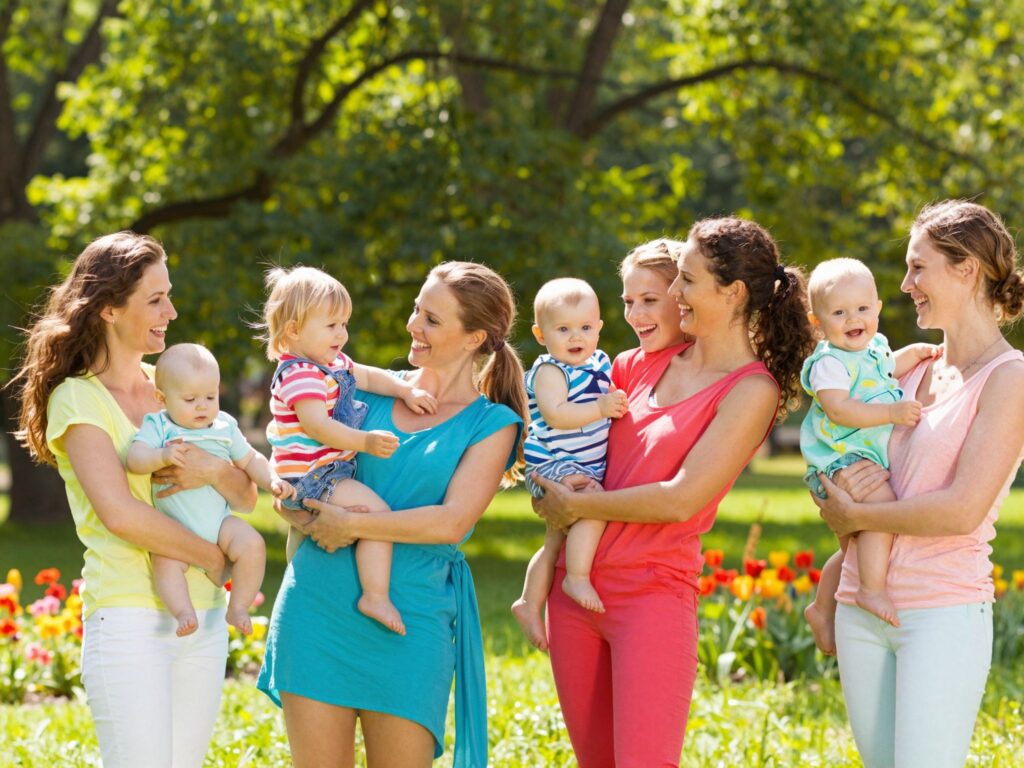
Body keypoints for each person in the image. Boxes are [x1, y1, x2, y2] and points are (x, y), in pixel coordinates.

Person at [532, 224, 817, 768]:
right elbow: (576, 452)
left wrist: (578, 506)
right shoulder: (637, 364)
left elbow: (682, 499)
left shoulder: (751, 390)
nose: (674, 293)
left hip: (652, 599)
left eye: (686, 279)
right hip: (576, 595)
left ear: (732, 293)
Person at [257, 261, 526, 768]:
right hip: (317, 610)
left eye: (431, 318)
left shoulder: (492, 424)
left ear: (474, 339)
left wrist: (352, 524)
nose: (412, 325)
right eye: (416, 310)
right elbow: (297, 466)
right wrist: (296, 509)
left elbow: (451, 522)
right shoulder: (363, 390)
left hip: (412, 621)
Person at [10, 232, 257, 767]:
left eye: (168, 295)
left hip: (205, 617)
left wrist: (213, 469)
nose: (171, 310)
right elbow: (120, 514)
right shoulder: (78, 399)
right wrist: (215, 558)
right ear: (107, 308)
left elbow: (245, 495)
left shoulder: (174, 386)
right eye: (155, 299)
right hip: (127, 621)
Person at [813, 200, 1024, 768]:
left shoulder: (1010, 379)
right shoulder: (903, 369)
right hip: (862, 604)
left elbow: (959, 510)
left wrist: (857, 518)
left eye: (918, 268)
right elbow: (835, 451)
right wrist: (836, 501)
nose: (905, 285)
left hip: (941, 612)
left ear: (967, 269)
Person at [260, 265, 438, 635]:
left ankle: (303, 589)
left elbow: (369, 375)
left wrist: (405, 390)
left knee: (307, 539)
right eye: (331, 326)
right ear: (294, 330)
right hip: (313, 475)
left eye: (344, 323)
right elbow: (317, 426)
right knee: (378, 516)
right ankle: (374, 595)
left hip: (321, 472)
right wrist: (365, 442)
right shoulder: (299, 374)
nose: (342, 334)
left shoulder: (332, 363)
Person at [798, 259, 937, 642]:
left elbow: (890, 366)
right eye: (839, 312)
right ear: (817, 321)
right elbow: (839, 409)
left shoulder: (873, 348)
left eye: (861, 308)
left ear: (876, 307)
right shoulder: (830, 362)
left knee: (858, 547)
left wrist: (919, 353)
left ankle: (822, 608)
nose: (852, 318)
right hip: (841, 456)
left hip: (858, 456)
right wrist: (890, 413)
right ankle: (870, 590)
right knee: (882, 508)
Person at [127, 343, 292, 637]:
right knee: (166, 562)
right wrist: (161, 456)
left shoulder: (224, 426)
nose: (202, 406)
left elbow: (251, 459)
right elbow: (135, 459)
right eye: (190, 399)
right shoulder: (160, 425)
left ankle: (239, 606)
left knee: (252, 544)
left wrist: (272, 481)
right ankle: (183, 612)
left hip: (219, 524)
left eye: (210, 396)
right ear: (162, 399)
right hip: (174, 529)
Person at [512, 278, 627, 647]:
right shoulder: (550, 371)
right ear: (541, 334)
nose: (576, 337)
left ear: (599, 328)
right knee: (593, 504)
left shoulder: (599, 362)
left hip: (582, 464)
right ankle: (576, 576)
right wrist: (600, 408)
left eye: (585, 328)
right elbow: (556, 414)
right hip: (553, 463)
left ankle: (529, 603)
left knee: (554, 539)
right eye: (563, 329)